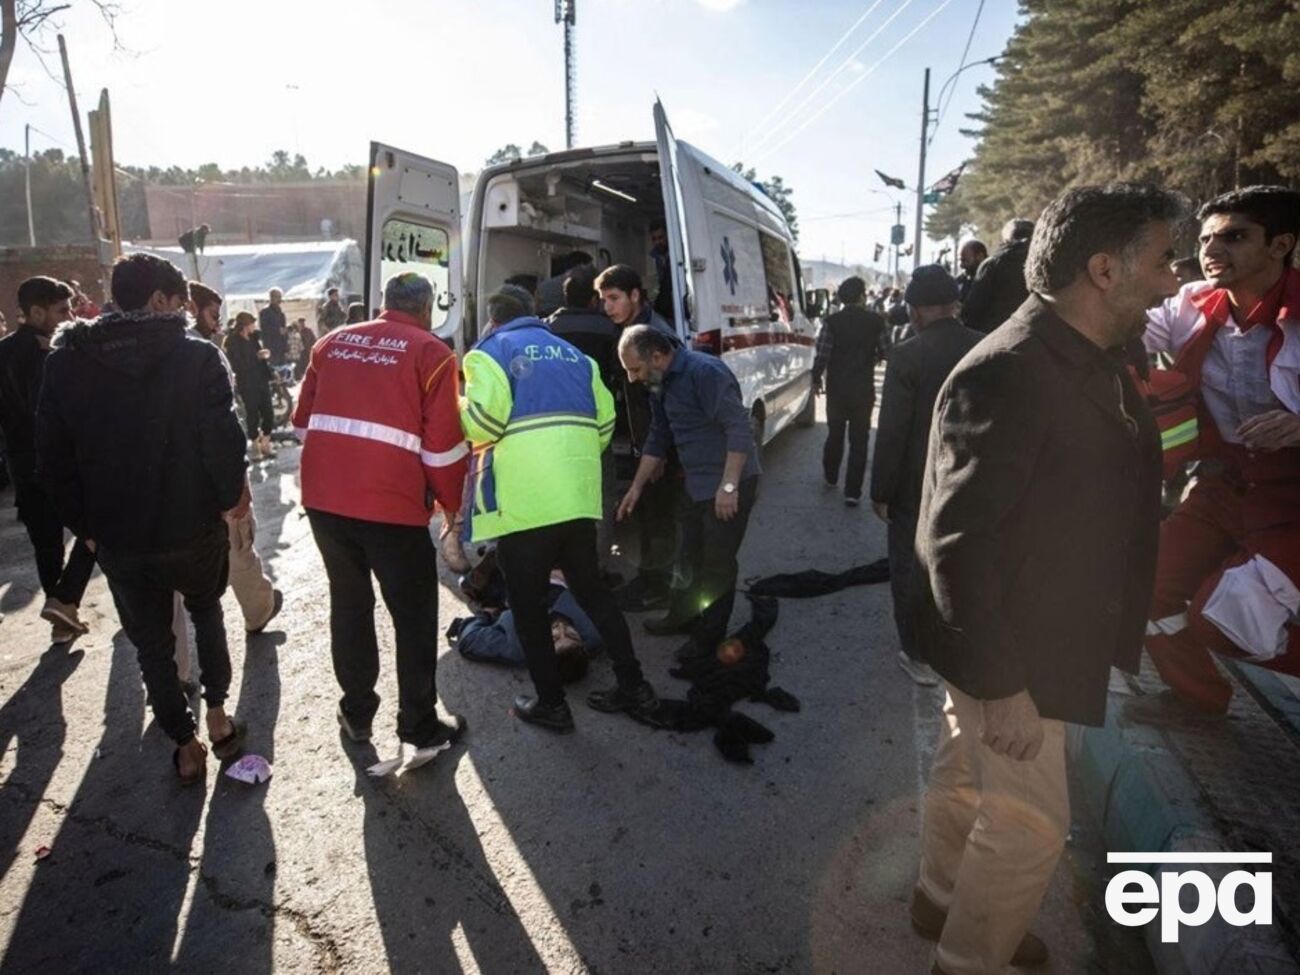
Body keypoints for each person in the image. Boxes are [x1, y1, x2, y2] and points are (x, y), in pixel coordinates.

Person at [909, 184, 1179, 974]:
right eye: (1163, 260)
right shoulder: (1011, 370)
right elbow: (956, 542)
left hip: (1033, 635)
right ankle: (968, 958)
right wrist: (1003, 685)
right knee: (1029, 823)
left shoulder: (1091, 357)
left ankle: (937, 895)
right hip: (1016, 652)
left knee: (965, 768)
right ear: (1103, 268)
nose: (1173, 280)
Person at [36, 253, 251, 784]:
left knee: (152, 644)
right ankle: (219, 717)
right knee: (206, 614)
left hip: (117, 534)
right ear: (159, 299)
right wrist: (231, 500)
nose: (184, 312)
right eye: (179, 302)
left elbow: (52, 456)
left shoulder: (67, 360)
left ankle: (184, 745)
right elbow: (223, 440)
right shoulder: (197, 358)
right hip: (192, 525)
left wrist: (84, 525)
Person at [1137, 186, 1300, 718]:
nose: (1212, 249)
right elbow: (1126, 327)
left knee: (1223, 617)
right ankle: (1198, 700)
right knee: (1142, 582)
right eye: (1207, 237)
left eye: (1234, 236)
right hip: (1224, 484)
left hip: (1293, 498)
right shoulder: (1191, 302)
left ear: (1280, 244)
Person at [461, 289, 657, 733]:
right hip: (577, 500)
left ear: (494, 320)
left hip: (526, 504)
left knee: (528, 609)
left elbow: (484, 425)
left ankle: (552, 704)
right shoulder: (574, 356)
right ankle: (635, 686)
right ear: (535, 316)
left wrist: (457, 408)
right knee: (594, 595)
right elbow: (605, 426)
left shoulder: (488, 353)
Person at [294, 273, 469, 751]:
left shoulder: (330, 344)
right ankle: (417, 723)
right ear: (428, 308)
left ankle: (356, 712)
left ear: (383, 303)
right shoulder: (432, 354)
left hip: (326, 503)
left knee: (349, 604)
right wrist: (451, 507)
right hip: (393, 508)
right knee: (413, 616)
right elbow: (443, 451)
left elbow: (303, 425)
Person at [616, 324, 761, 664]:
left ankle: (708, 641)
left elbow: (739, 428)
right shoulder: (659, 382)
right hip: (696, 484)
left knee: (716, 565)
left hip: (730, 482)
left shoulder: (704, 373)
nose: (633, 379)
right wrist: (636, 487)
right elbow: (658, 436)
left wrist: (728, 487)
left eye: (635, 369)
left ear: (657, 356)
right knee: (687, 556)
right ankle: (681, 617)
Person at [869, 266, 981, 686]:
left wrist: (880, 491)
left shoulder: (908, 354)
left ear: (914, 312)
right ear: (955, 306)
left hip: (917, 487)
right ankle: (959, 646)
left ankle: (917, 653)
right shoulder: (985, 346)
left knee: (910, 568)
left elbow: (892, 431)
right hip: (973, 479)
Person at [182, 282, 282, 639]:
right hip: (211, 475)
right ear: (190, 307)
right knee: (238, 545)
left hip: (173, 481)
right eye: (211, 314)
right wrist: (238, 483)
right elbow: (222, 426)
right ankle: (259, 610)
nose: (216, 323)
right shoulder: (203, 353)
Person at [0, 277, 97, 643]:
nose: (69, 316)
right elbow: (46, 409)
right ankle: (66, 598)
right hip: (55, 464)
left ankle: (62, 620)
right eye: (62, 310)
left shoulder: (5, 350)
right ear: (36, 312)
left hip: (21, 465)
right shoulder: (43, 353)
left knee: (47, 544)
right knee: (95, 530)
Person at [595, 264, 683, 619]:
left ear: (635, 295)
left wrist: (657, 451)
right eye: (603, 300)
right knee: (649, 514)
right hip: (645, 441)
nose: (607, 307)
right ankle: (651, 580)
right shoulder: (631, 329)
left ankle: (657, 589)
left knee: (659, 516)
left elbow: (664, 401)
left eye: (614, 298)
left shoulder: (652, 336)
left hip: (659, 444)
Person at [813, 275, 887, 506]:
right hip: (863, 389)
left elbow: (823, 353)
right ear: (861, 296)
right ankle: (853, 492)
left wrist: (816, 378)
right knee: (859, 440)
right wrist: (872, 357)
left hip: (837, 389)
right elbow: (886, 351)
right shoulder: (876, 322)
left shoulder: (831, 322)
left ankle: (831, 476)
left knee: (835, 434)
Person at [961, 218, 1035, 333]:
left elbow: (973, 310)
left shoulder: (992, 264)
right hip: (1038, 336)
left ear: (1006, 239)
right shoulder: (1046, 261)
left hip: (996, 336)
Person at [224, 311, 277, 461]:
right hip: (247, 382)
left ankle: (266, 443)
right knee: (252, 413)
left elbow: (261, 358)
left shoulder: (254, 338)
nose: (255, 326)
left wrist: (269, 367)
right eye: (252, 323)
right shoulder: (232, 342)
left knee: (268, 412)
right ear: (246, 325)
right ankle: (255, 446)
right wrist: (256, 357)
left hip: (261, 380)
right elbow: (236, 364)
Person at [536, 250, 593, 319]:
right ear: (581, 265)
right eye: (590, 266)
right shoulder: (581, 285)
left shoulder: (542, 286)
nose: (591, 269)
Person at [649, 220, 675, 322]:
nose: (657, 242)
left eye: (661, 237)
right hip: (662, 307)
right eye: (654, 239)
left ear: (668, 235)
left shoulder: (678, 254)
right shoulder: (653, 257)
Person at [258, 288, 288, 365]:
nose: (279, 299)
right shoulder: (265, 312)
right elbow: (264, 329)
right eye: (277, 297)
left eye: (280, 297)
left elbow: (283, 328)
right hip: (271, 347)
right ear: (272, 297)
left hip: (281, 347)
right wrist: (277, 330)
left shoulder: (281, 313)